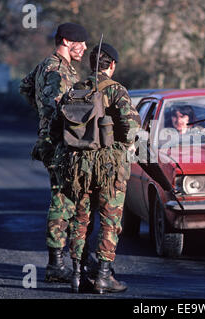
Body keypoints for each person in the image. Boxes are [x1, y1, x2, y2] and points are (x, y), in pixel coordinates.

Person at [50, 43, 140, 294]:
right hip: (109, 166)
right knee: (110, 219)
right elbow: (132, 128)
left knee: (80, 218)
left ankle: (77, 274)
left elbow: (56, 129)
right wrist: (121, 149)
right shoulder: (116, 91)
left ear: (91, 65)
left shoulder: (74, 90)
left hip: (78, 166)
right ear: (112, 65)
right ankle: (103, 275)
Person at [19, 22, 88, 283]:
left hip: (55, 140)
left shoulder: (47, 65)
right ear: (68, 42)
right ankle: (56, 264)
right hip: (59, 143)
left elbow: (25, 88)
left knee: (66, 196)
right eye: (81, 43)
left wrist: (41, 117)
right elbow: (61, 108)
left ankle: (67, 259)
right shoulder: (56, 70)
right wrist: (49, 121)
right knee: (63, 199)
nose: (84, 48)